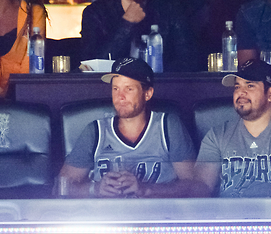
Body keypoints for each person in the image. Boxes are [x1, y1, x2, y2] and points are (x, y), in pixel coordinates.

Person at [58, 57, 196, 198]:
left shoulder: (167, 126)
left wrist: (146, 189)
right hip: (106, 216)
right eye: (115, 89)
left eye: (129, 89)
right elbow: (61, 187)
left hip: (156, 216)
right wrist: (95, 189)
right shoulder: (95, 131)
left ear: (147, 93)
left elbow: (195, 186)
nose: (120, 96)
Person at [194, 59, 271, 197]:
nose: (241, 92)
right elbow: (201, 184)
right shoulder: (217, 135)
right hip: (228, 216)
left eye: (250, 86)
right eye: (237, 87)